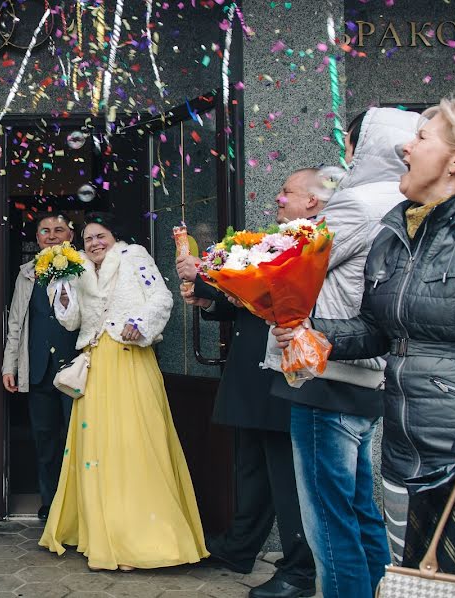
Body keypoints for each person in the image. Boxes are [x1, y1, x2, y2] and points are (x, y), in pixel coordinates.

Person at [272, 91, 455, 566]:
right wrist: (315, 333)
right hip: (406, 448)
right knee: (415, 577)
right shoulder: (398, 228)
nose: (405, 149)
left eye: (421, 138)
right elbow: (379, 329)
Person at [266, 108, 422, 598]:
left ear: (363, 145)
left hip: (327, 370)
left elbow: (289, 265)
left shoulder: (359, 202)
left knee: (328, 521)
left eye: (349, 143)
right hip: (367, 371)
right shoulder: (399, 200)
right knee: (358, 508)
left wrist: (225, 270)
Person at [177, 170, 320, 598]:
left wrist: (209, 277)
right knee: (251, 469)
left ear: (313, 200)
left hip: (283, 372)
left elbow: (273, 297)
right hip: (250, 368)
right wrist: (210, 298)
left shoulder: (314, 244)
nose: (278, 198)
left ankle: (299, 569)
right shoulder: (279, 240)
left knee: (286, 478)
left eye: (287, 191)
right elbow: (248, 302)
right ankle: (238, 548)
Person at [39, 212, 207, 571]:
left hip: (130, 360)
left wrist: (140, 324)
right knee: (98, 448)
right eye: (87, 240)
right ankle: (101, 533)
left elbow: (161, 299)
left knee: (133, 444)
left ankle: (138, 539)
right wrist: (61, 286)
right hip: (96, 365)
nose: (94, 243)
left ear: (115, 237)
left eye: (101, 236)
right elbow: (70, 321)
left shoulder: (136, 258)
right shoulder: (79, 269)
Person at [2, 213, 79, 519]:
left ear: (70, 236)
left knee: (77, 441)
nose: (51, 235)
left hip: (75, 371)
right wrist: (9, 365)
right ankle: (51, 503)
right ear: (37, 239)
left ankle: (77, 505)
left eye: (58, 230)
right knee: (45, 442)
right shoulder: (26, 274)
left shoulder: (84, 269)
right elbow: (16, 323)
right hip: (39, 372)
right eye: (44, 231)